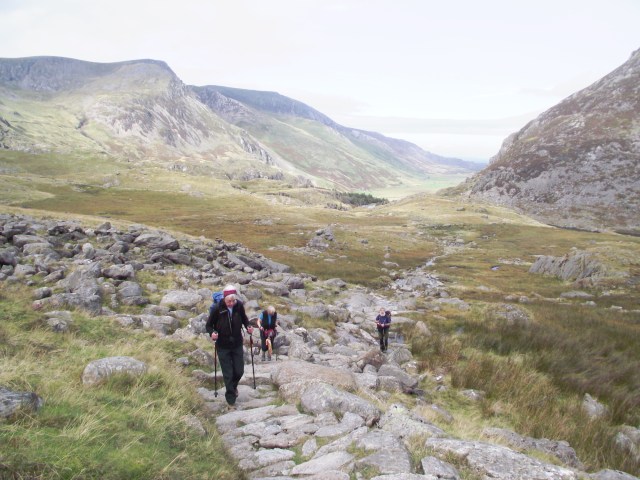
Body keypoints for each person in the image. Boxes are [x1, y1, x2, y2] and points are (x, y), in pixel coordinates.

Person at [206, 285, 253, 407]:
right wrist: (212, 333)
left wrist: (248, 326)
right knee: (228, 373)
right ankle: (231, 399)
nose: (231, 303)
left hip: (237, 343)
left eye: (233, 301)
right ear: (224, 299)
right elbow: (209, 325)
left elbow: (244, 319)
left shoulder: (239, 306)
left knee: (239, 370)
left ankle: (233, 387)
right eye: (228, 301)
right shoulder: (217, 308)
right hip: (222, 345)